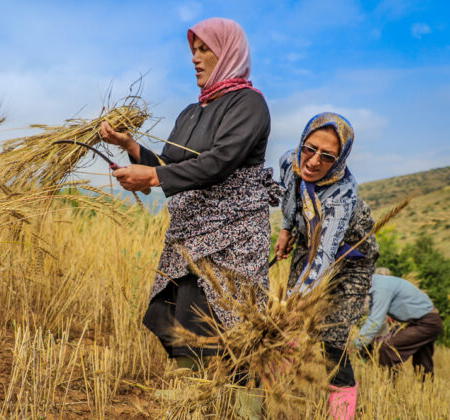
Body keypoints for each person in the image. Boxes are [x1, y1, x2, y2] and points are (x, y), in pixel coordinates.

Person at [100, 17, 280, 416]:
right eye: (192, 51)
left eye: (204, 50)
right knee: (176, 316)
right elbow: (170, 164)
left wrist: (154, 175)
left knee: (238, 330)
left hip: (232, 240)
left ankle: (248, 409)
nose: (195, 59)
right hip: (188, 237)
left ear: (228, 50)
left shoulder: (249, 105)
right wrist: (130, 146)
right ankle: (194, 401)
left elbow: (219, 163)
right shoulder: (189, 113)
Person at [275, 112, 379, 420]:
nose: (313, 160)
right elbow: (291, 198)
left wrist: (297, 299)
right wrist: (287, 229)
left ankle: (341, 413)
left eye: (327, 156)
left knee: (331, 338)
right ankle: (273, 392)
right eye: (309, 148)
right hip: (310, 242)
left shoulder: (342, 194)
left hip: (349, 262)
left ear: (340, 159)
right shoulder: (288, 161)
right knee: (286, 326)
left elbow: (325, 254)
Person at [354, 273, 443, 376]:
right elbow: (371, 315)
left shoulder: (381, 288)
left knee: (388, 349)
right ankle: (427, 390)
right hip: (427, 321)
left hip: (427, 323)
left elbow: (375, 321)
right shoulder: (379, 283)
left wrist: (356, 344)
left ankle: (389, 389)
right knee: (422, 363)